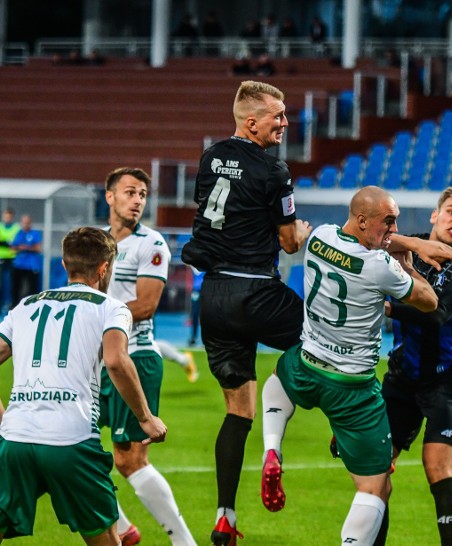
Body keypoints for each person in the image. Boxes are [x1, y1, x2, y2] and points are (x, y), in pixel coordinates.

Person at [259, 186, 442, 545]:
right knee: (375, 487)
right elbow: (430, 302)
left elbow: (313, 235)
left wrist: (401, 241)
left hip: (306, 367)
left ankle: (272, 446)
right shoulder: (380, 267)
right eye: (388, 221)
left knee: (279, 377)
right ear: (362, 220)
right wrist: (409, 263)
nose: (393, 229)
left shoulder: (321, 237)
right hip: (352, 387)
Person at [180, 80, 313, 546]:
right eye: (277, 116)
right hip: (255, 290)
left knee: (238, 410)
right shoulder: (275, 171)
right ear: (250, 121)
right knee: (325, 340)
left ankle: (224, 517)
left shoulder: (209, 156)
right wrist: (301, 229)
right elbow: (289, 241)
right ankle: (320, 437)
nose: (285, 123)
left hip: (212, 297)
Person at [0, 226, 167, 545]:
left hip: (15, 441)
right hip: (71, 441)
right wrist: (145, 418)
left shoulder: (25, 306)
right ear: (105, 268)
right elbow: (117, 361)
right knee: (108, 536)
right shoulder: (111, 307)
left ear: (65, 265)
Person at [381, 185, 452, 546]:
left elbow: (438, 313)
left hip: (447, 379)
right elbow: (370, 240)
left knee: (437, 468)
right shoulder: (409, 245)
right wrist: (410, 245)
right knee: (375, 469)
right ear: (435, 215)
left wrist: (391, 308)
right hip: (402, 375)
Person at [100, 167, 195, 546]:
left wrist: (95, 318)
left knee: (129, 460)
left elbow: (146, 305)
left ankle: (183, 541)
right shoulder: (96, 242)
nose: (137, 200)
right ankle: (122, 528)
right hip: (93, 361)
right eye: (129, 192)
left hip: (134, 357)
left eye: (142, 194)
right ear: (110, 197)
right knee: (75, 445)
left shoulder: (151, 244)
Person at [10, 214, 42, 302]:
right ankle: (15, 306)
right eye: (24, 223)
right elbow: (13, 247)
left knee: (32, 289)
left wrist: (26, 248)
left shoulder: (35, 233)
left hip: (31, 266)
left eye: (27, 223)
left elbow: (38, 248)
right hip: (19, 265)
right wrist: (19, 248)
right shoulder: (18, 233)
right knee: (16, 288)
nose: (26, 225)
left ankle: (32, 306)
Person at [0, 208, 20, 313]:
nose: (7, 219)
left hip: (13, 258)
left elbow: (15, 243)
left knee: (13, 283)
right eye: (6, 216)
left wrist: (6, 243)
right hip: (1, 258)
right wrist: (7, 243)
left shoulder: (16, 228)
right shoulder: (1, 227)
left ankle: (12, 305)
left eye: (9, 217)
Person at [187, 267, 204, 346]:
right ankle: (194, 337)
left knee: (205, 316)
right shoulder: (195, 265)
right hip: (196, 291)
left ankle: (205, 339)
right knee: (195, 315)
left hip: (205, 290)